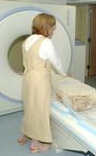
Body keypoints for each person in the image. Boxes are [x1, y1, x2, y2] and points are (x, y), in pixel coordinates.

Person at [17, 13, 71, 153]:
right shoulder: (45, 42)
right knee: (39, 110)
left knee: (29, 107)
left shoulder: (27, 41)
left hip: (27, 78)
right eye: (52, 27)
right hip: (39, 80)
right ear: (46, 27)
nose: (52, 29)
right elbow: (56, 62)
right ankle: (35, 143)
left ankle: (23, 135)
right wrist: (64, 73)